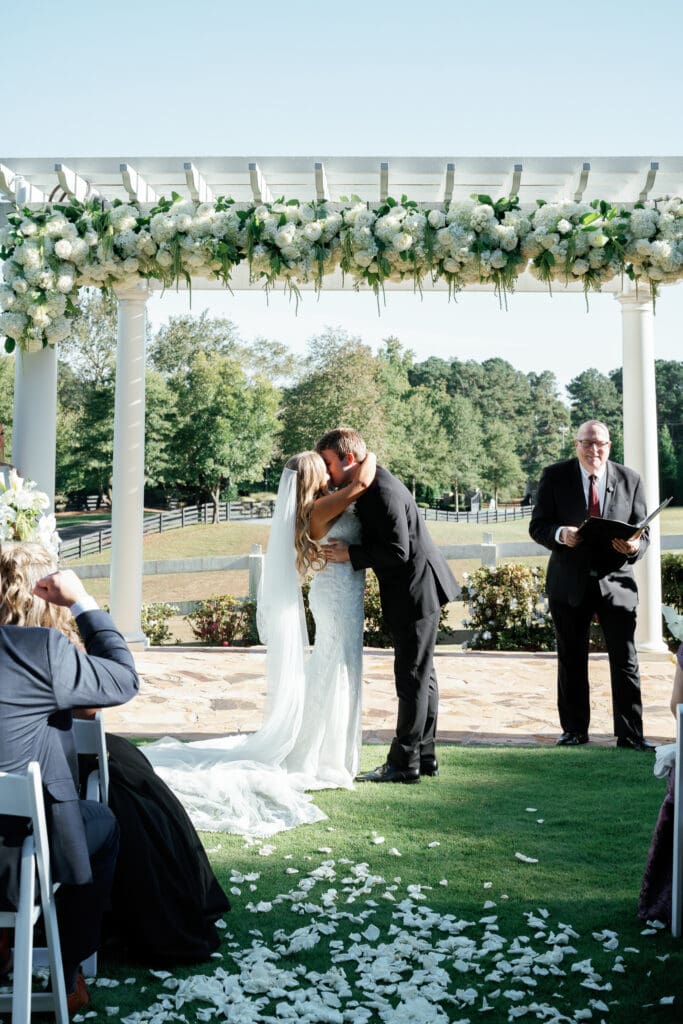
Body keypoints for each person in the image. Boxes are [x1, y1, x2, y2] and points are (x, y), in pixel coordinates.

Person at [143, 448, 376, 833]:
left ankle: (326, 749)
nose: (332, 475)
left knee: (334, 670)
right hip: (335, 598)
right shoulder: (320, 510)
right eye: (326, 469)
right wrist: (367, 455)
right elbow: (362, 483)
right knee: (330, 670)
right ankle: (317, 753)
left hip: (341, 595)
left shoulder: (319, 506)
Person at [0, 542, 139, 1015]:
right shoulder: (42, 651)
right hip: (17, 864)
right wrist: (83, 602)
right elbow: (122, 679)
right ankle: (69, 968)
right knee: (101, 821)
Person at [317, 427, 459, 784]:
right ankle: (424, 757)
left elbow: (399, 551)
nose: (328, 472)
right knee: (423, 676)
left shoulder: (380, 491)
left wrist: (352, 554)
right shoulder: (370, 482)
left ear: (349, 459)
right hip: (414, 588)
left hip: (414, 591)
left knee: (411, 677)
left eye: (330, 464)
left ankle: (403, 764)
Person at [529, 419, 654, 750]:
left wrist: (634, 547)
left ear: (609, 446)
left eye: (599, 444)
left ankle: (630, 735)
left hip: (617, 585)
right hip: (569, 583)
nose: (593, 450)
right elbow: (538, 526)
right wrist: (561, 534)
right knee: (571, 658)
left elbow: (644, 534)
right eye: (586, 443)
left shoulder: (630, 479)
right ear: (576, 445)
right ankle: (573, 730)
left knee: (625, 660)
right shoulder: (555, 477)